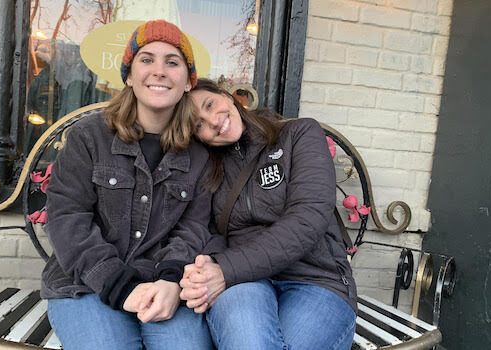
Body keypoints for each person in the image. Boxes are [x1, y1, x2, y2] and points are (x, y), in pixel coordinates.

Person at [40, 20, 215, 350]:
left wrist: (171, 280)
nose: (159, 71)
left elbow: (194, 228)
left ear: (188, 82)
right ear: (130, 75)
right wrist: (118, 285)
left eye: (173, 62)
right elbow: (67, 218)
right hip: (86, 285)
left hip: (161, 285)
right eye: (147, 59)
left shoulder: (199, 156)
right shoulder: (89, 137)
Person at [180, 78, 357, 350]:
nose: (213, 122)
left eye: (210, 104)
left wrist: (225, 269)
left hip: (315, 280)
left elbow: (307, 218)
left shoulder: (299, 134)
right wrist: (206, 271)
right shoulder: (208, 167)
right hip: (244, 283)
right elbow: (202, 229)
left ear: (227, 96)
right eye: (199, 125)